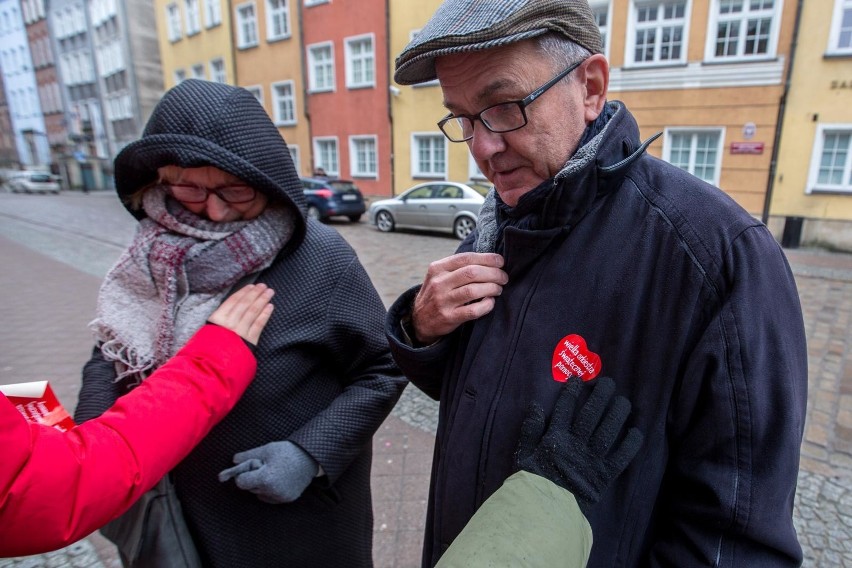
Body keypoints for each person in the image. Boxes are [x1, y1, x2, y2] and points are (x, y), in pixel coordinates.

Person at [387, 1, 808, 566]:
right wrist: (423, 328)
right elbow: (478, 390)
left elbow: (734, 541)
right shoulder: (499, 224)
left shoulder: (717, 255)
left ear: (590, 87)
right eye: (462, 118)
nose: (482, 148)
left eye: (503, 107)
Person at [74, 79, 407, 567]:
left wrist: (309, 454)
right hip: (175, 515)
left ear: (268, 181)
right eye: (188, 188)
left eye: (235, 189)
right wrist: (91, 443)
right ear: (158, 179)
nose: (213, 210)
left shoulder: (320, 259)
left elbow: (385, 366)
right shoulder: (148, 254)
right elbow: (112, 347)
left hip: (292, 524)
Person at [1, 284, 273, 557]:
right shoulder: (141, 268)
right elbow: (108, 349)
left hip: (250, 504)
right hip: (150, 496)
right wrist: (94, 423)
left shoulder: (305, 257)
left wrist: (309, 453)